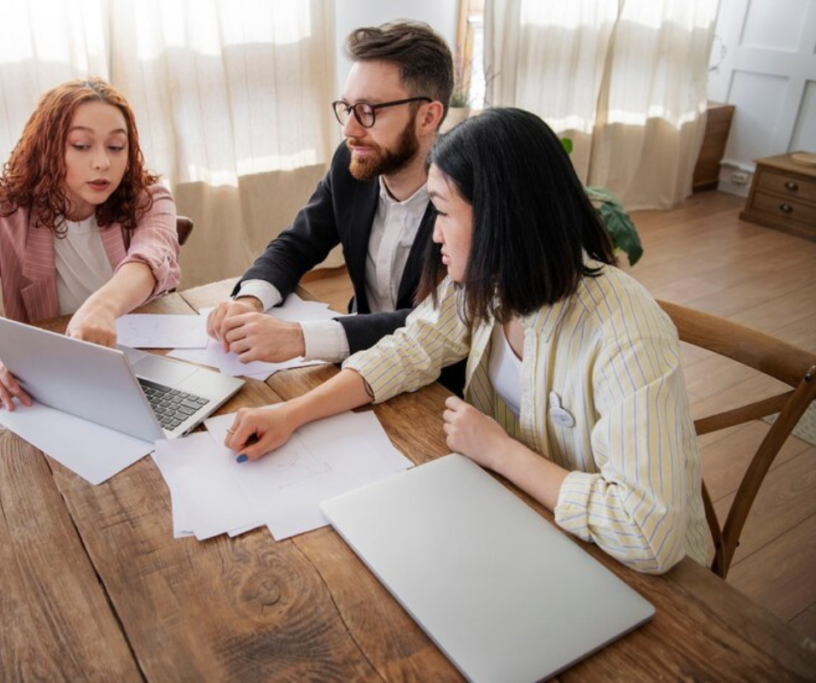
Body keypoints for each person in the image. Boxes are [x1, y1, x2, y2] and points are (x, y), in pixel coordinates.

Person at [225, 108, 710, 574]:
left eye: (441, 212)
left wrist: (499, 451)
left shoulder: (626, 331)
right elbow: (409, 350)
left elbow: (649, 532)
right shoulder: (486, 281)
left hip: (634, 571)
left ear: (502, 218)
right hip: (518, 518)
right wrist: (290, 414)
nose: (434, 235)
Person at [205, 21, 466, 392]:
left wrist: (299, 338)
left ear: (428, 116)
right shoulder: (351, 163)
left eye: (369, 110)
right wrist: (249, 301)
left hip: (436, 385)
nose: (350, 129)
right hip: (354, 365)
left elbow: (435, 325)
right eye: (347, 108)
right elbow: (297, 243)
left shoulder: (464, 198)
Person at [0, 78, 179, 410]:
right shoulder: (9, 217)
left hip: (147, 370)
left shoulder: (150, 199)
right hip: (56, 385)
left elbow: (152, 258)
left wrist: (102, 308)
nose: (103, 163)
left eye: (115, 147)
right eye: (82, 146)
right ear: (49, 148)